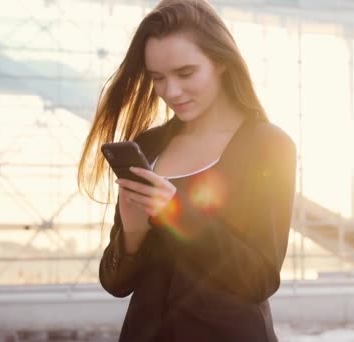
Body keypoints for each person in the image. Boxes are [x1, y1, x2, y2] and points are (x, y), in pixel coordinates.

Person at [76, 0, 297, 341]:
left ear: (221, 62)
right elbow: (115, 283)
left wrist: (176, 213)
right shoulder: (149, 146)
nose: (171, 92)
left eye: (185, 73)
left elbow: (259, 278)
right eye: (158, 78)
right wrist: (133, 234)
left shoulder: (268, 146)